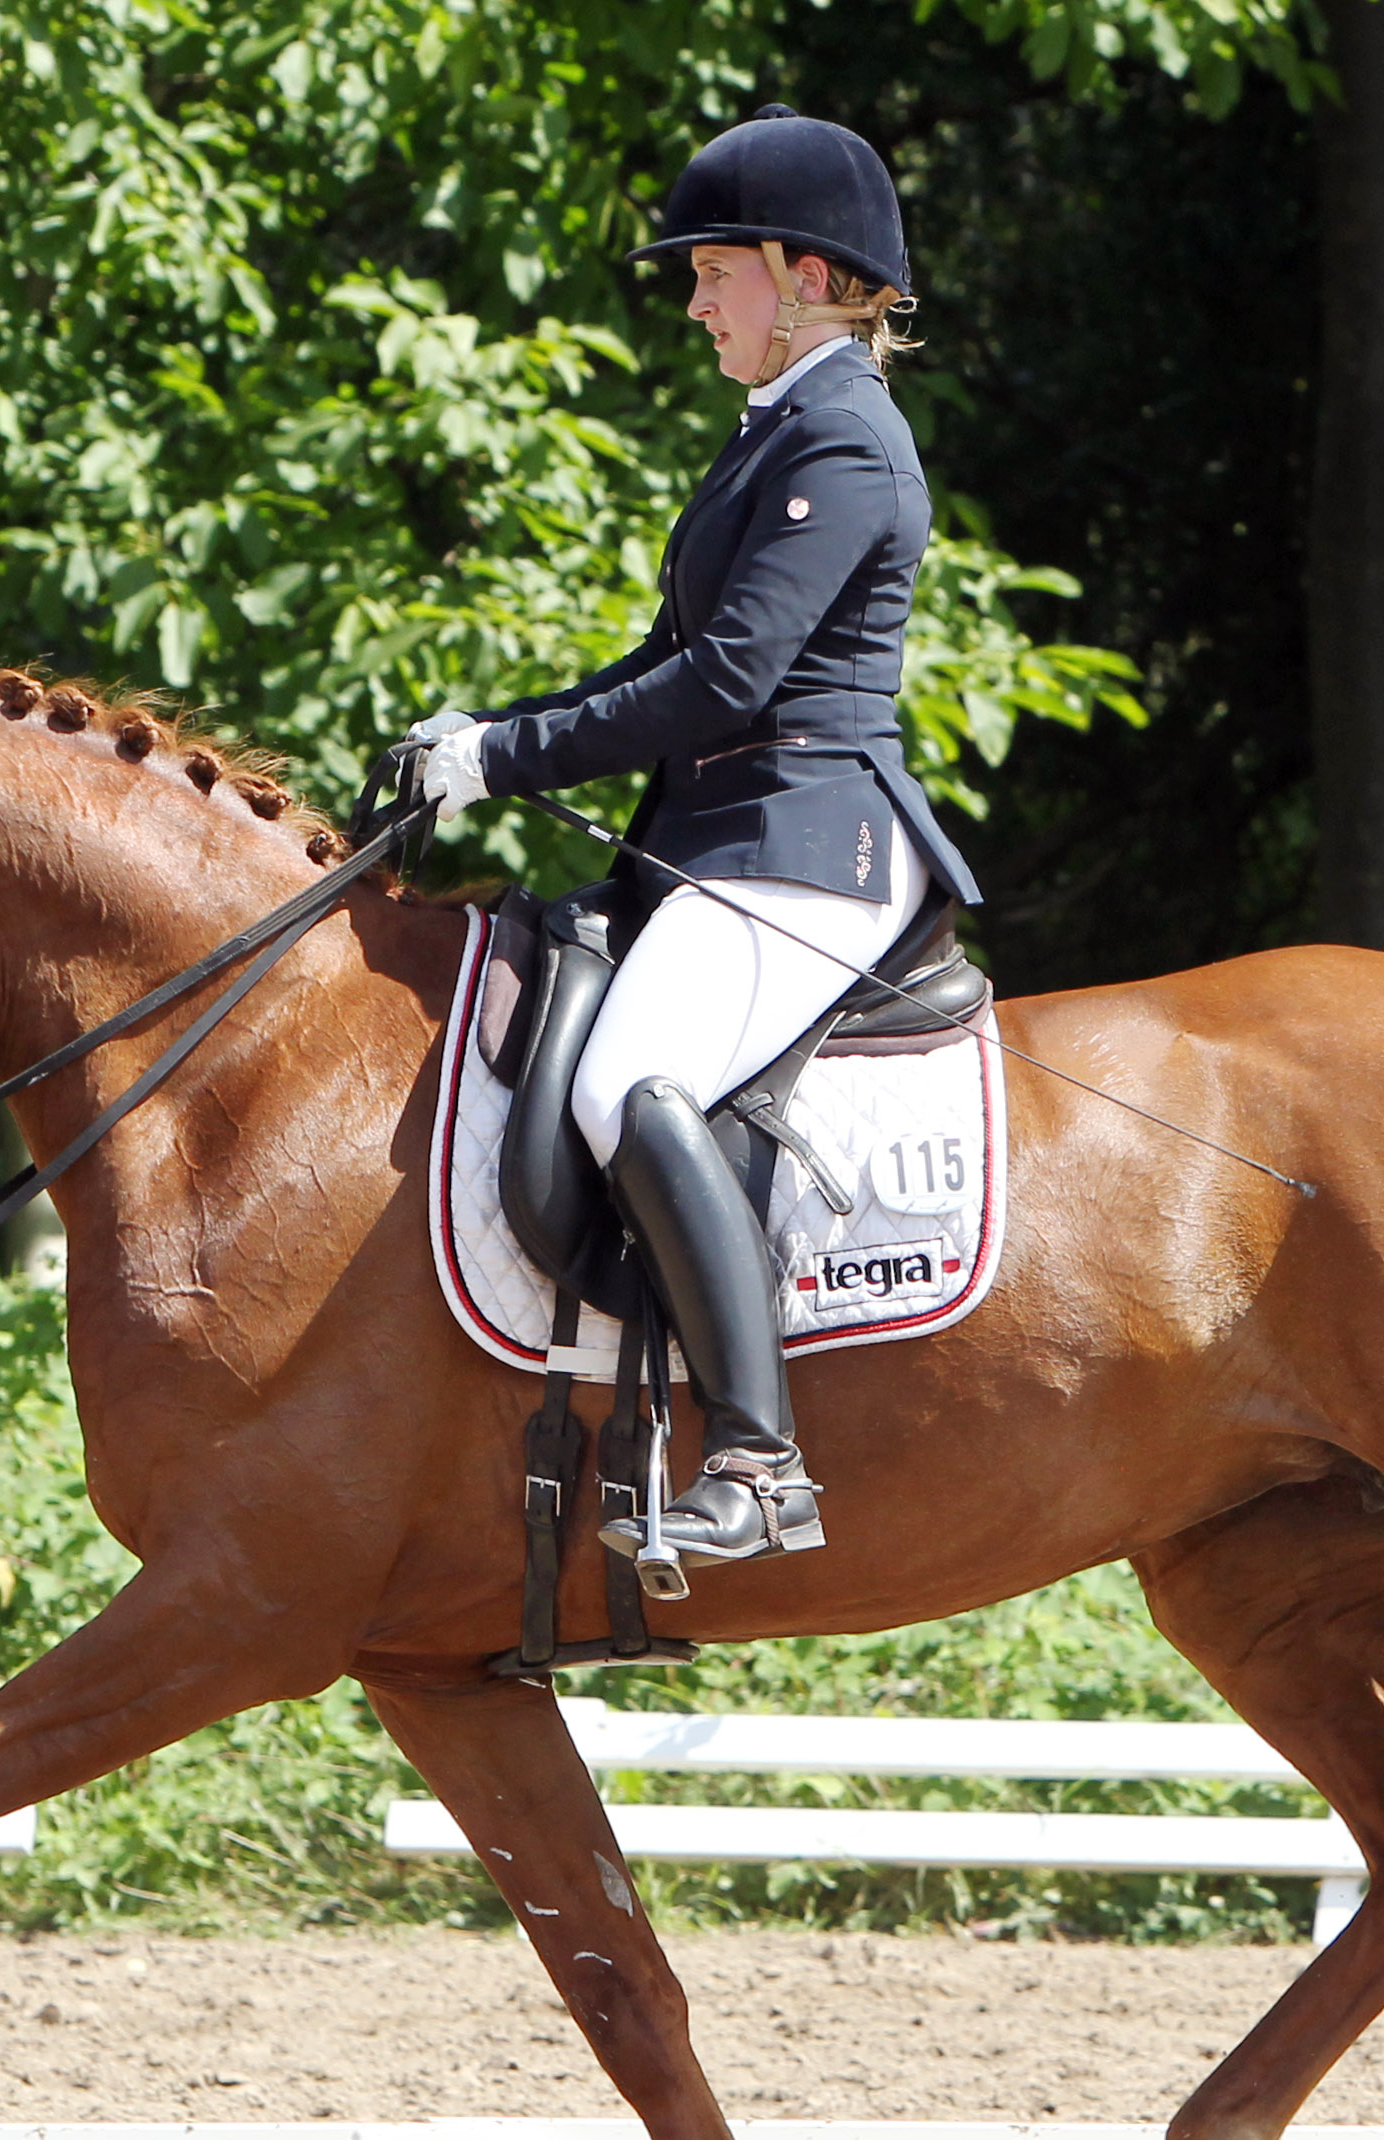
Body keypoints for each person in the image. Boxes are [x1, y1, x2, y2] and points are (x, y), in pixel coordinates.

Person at [398, 105, 980, 1572]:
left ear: (798, 271)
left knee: (630, 1082)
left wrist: (508, 759)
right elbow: (657, 660)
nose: (694, 300)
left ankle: (761, 1457)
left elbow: (728, 681)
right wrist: (479, 742)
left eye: (711, 271)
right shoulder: (776, 430)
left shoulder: (843, 438)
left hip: (806, 849)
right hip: (724, 843)